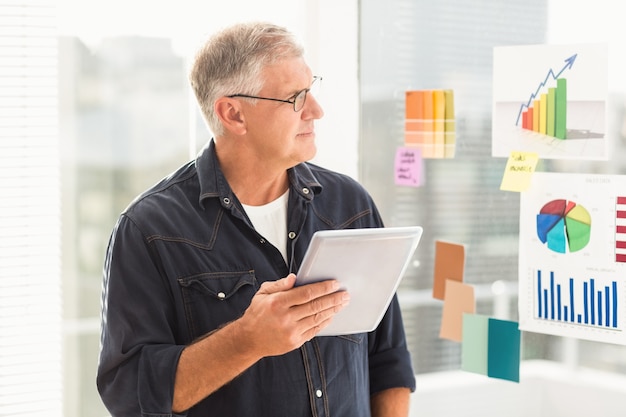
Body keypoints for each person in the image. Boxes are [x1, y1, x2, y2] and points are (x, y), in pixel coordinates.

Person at [96, 21, 416, 417]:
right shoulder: (148, 230)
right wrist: (247, 340)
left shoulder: (351, 206)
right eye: (296, 98)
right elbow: (129, 394)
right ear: (233, 114)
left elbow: (388, 359)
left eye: (311, 90)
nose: (316, 110)